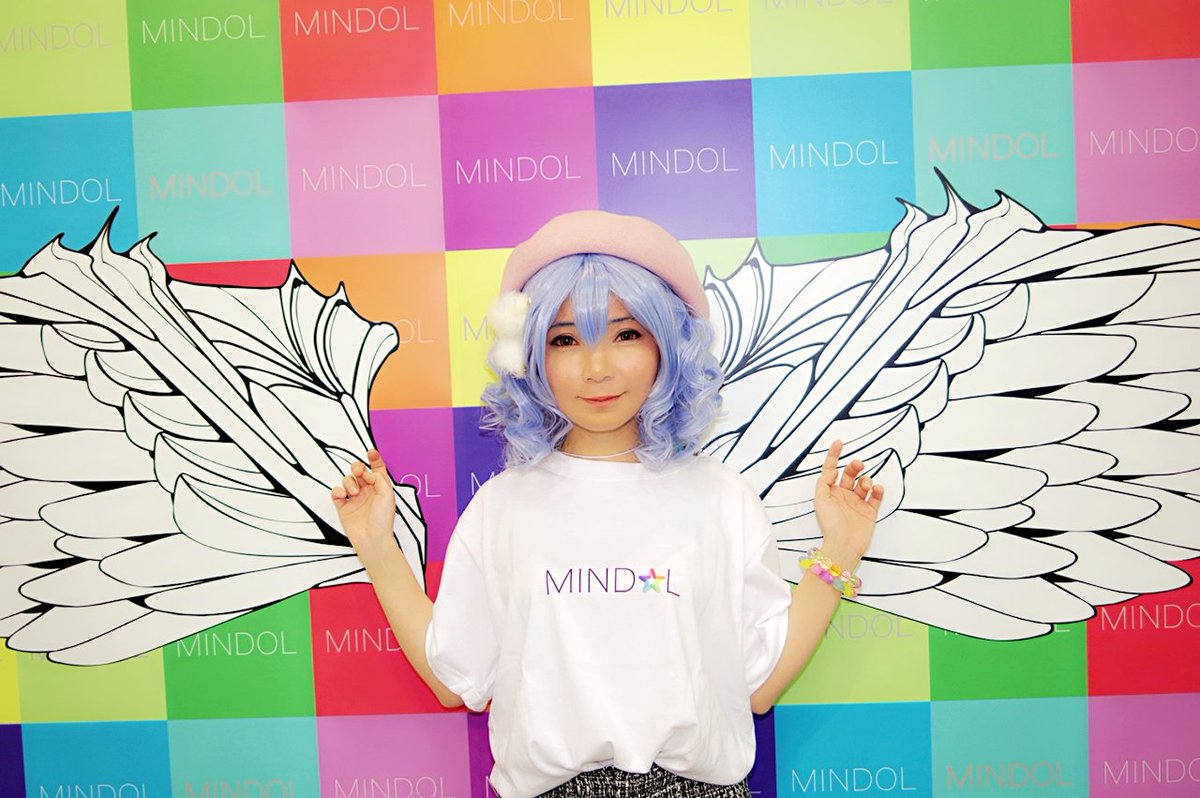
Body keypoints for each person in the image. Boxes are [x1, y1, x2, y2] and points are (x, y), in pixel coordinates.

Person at [332, 211, 883, 798]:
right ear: (530, 356)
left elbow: (760, 685)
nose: (596, 368)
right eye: (565, 340)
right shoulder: (504, 505)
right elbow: (455, 679)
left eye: (625, 334)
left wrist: (841, 550)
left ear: (666, 344)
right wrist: (377, 547)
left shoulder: (721, 495)